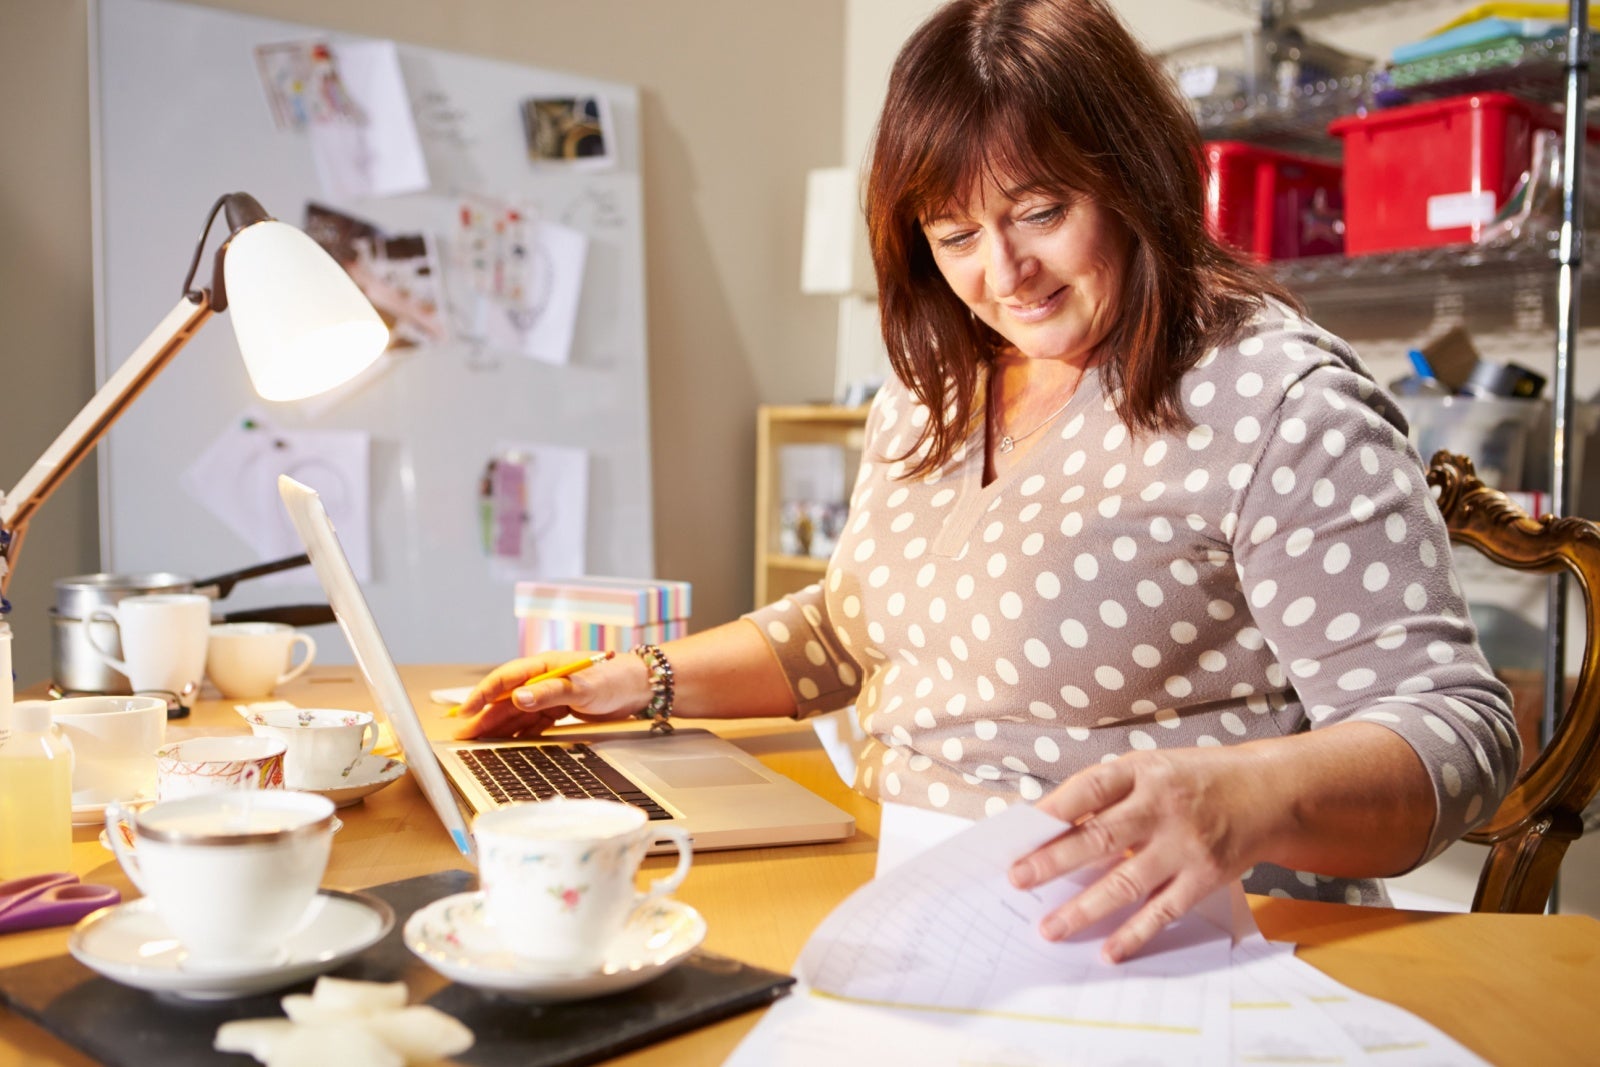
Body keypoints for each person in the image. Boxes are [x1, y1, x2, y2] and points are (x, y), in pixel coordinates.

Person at [456, 0, 1519, 963]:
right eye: (956, 234)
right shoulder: (936, 390)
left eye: (1041, 211)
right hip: (906, 891)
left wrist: (1240, 796)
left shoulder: (1273, 397)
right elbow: (850, 629)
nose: (1003, 275)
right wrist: (633, 679)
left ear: (1135, 175)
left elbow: (1457, 726)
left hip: (1159, 939)